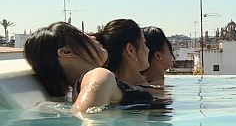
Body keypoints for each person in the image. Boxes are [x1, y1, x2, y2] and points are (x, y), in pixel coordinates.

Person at [24, 22, 154, 114]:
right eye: (82, 35)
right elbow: (85, 121)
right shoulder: (99, 76)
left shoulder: (79, 91)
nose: (93, 37)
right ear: (67, 52)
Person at [95, 19, 149, 85]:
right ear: (130, 50)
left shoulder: (111, 88)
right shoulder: (141, 93)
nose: (148, 50)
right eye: (144, 43)